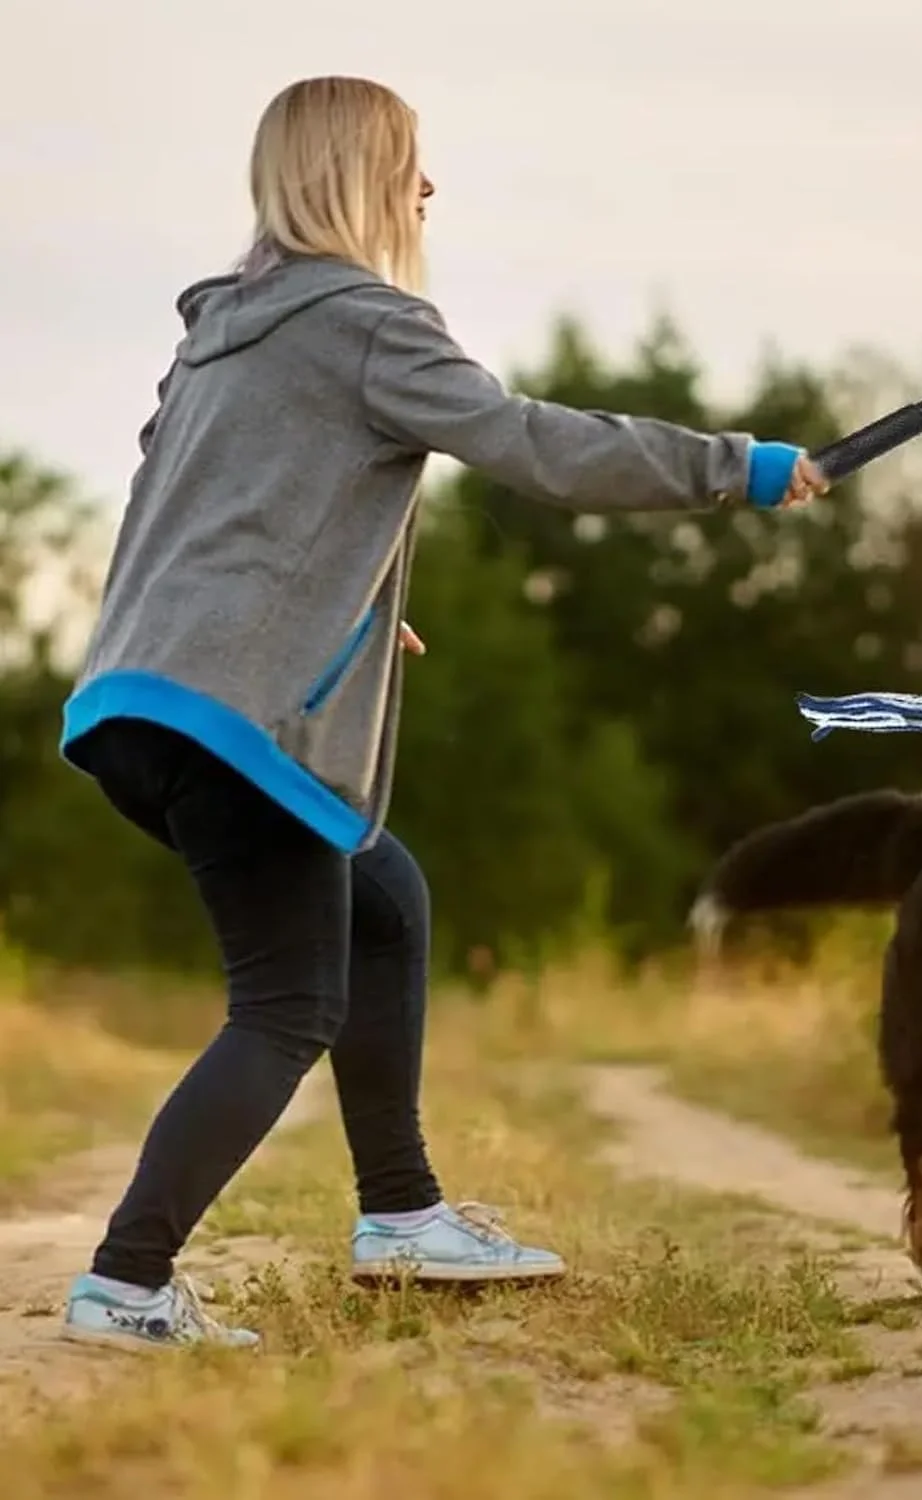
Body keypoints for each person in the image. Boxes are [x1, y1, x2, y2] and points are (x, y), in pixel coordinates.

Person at [57, 75, 829, 1353]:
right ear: (361, 177)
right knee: (285, 1007)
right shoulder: (365, 320)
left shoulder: (219, 336)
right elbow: (533, 443)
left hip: (139, 701)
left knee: (386, 900)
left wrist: (341, 615)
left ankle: (401, 1214)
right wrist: (732, 468)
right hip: (230, 716)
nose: (427, 191)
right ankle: (127, 1281)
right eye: (411, 165)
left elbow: (184, 514)